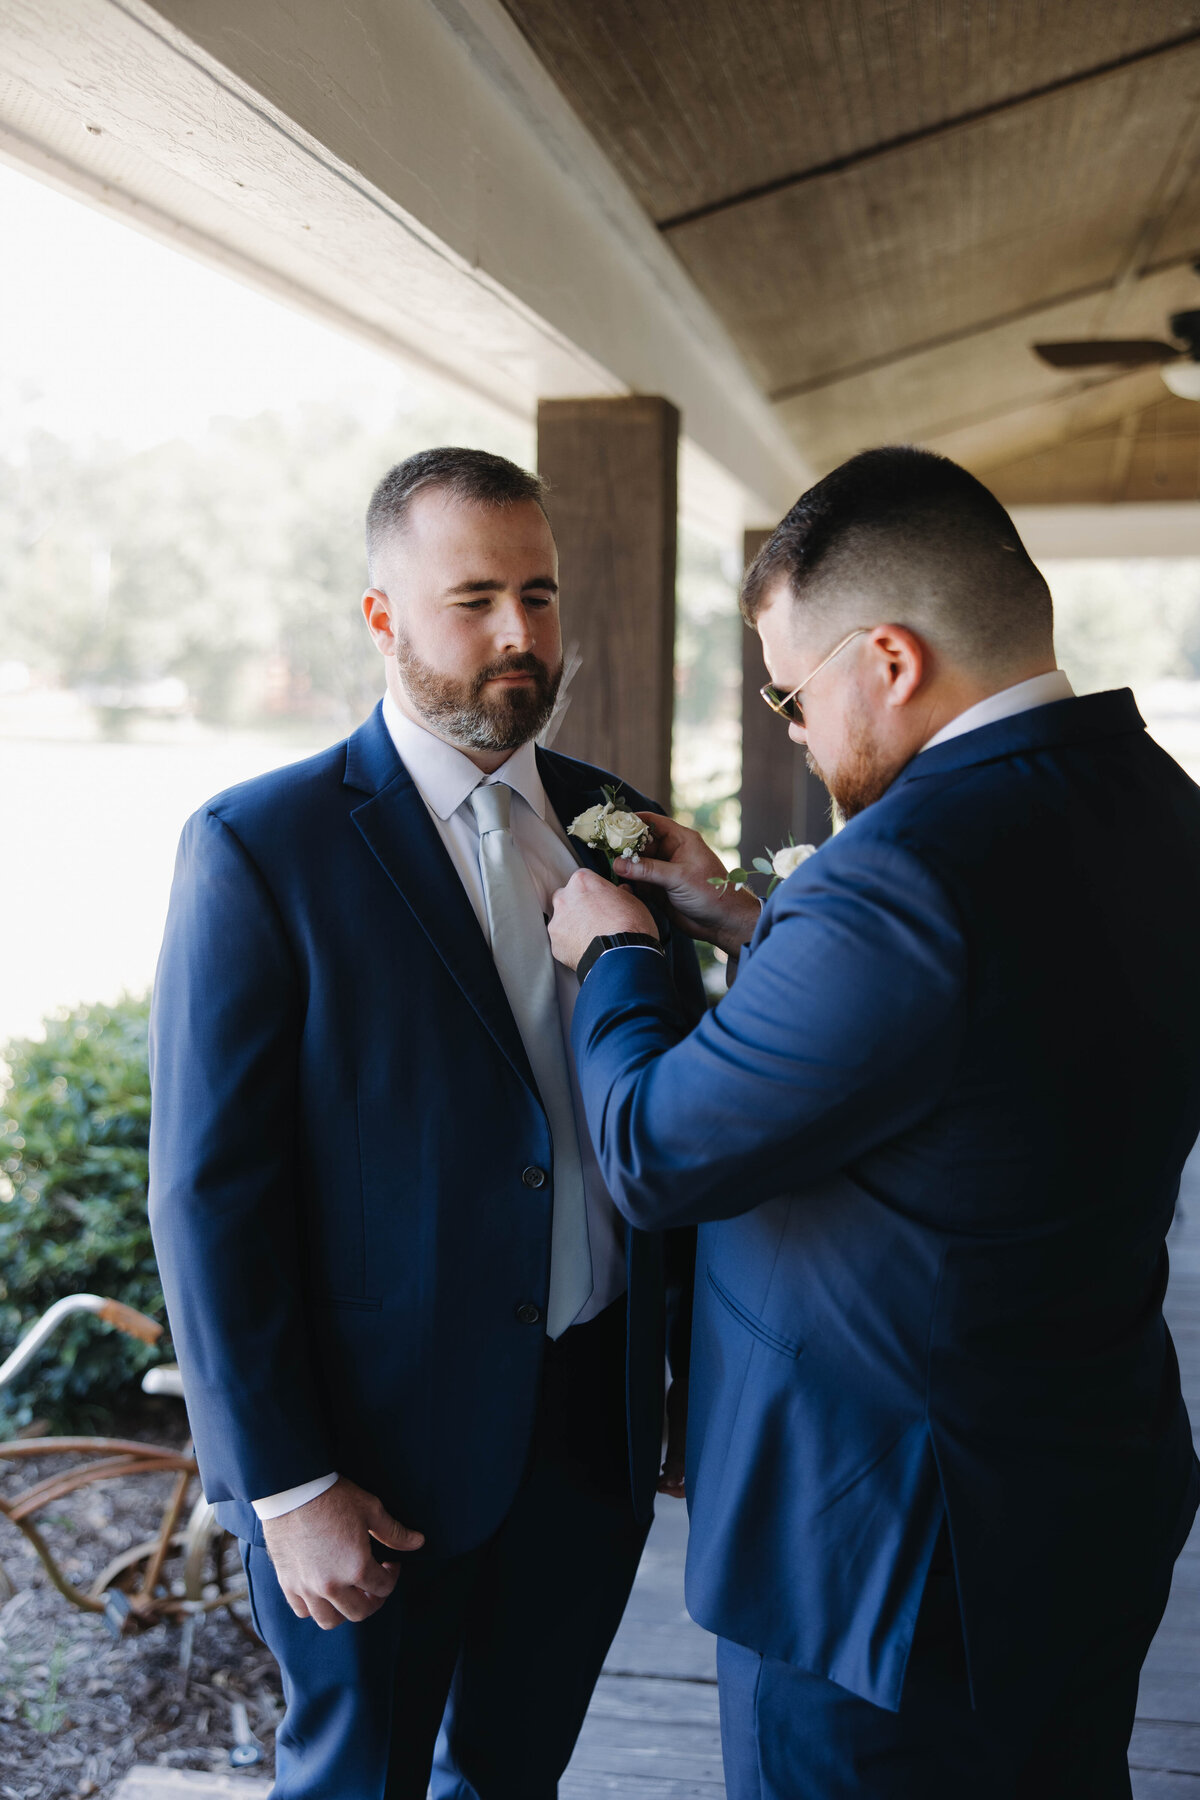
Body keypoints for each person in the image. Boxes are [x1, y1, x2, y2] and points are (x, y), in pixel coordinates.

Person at [547, 445, 1200, 1800]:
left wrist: (618, 955)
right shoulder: (1155, 805)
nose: (789, 727)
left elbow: (656, 1151)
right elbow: (983, 1020)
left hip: (885, 1557)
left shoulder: (897, 877)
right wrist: (747, 912)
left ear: (889, 660)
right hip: (1085, 1483)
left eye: (791, 693)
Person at [147, 447, 701, 1799]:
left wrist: (678, 1382)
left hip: (588, 1430)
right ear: (383, 617)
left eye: (541, 593)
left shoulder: (608, 817)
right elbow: (208, 1197)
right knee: (356, 1783)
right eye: (474, 599)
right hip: (372, 1463)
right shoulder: (260, 847)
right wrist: (285, 1490)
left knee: (515, 1780)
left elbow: (673, 1099)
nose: (522, 635)